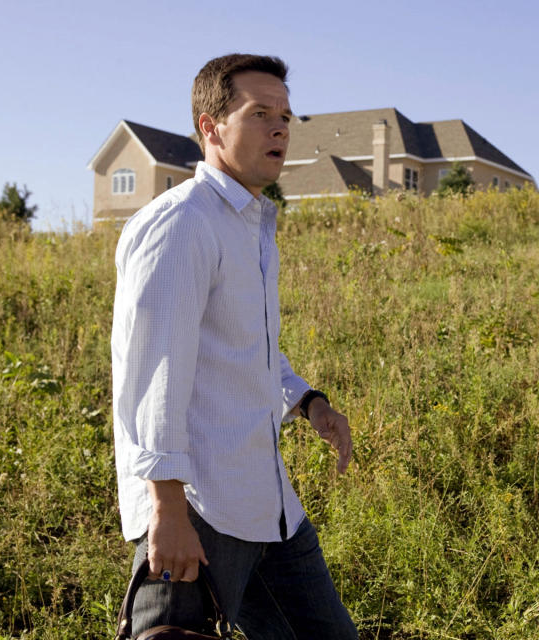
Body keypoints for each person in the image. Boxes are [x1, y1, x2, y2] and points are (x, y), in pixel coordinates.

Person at [111, 54, 357, 638]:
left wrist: (308, 401)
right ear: (210, 126)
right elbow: (153, 371)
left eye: (286, 117)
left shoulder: (248, 224)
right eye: (260, 114)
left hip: (266, 501)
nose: (280, 129)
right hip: (200, 505)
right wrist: (167, 509)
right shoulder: (180, 224)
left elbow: (250, 348)